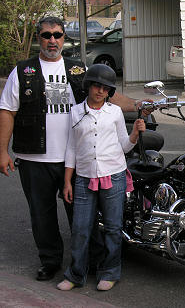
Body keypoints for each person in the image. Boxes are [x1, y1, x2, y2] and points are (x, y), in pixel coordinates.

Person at [0, 16, 149, 281]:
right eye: (46, 35)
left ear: (63, 38)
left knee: (84, 218)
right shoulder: (22, 72)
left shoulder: (78, 70)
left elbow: (109, 94)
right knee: (41, 215)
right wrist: (2, 151)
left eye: (57, 35)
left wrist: (138, 105)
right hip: (34, 158)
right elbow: (8, 112)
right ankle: (50, 260)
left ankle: (90, 262)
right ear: (38, 38)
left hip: (77, 159)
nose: (52, 40)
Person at [57, 64, 145, 291]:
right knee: (80, 228)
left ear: (109, 92)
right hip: (84, 178)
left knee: (113, 228)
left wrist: (135, 133)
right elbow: (71, 149)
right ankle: (76, 274)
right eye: (97, 86)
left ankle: (110, 272)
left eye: (106, 89)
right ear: (88, 86)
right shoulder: (75, 112)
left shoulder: (115, 113)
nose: (100, 91)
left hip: (113, 176)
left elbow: (124, 147)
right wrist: (67, 181)